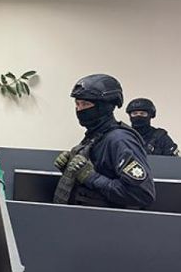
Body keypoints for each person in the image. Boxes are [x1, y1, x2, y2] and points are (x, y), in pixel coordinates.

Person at [53, 74, 156, 210]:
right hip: (81, 217)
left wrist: (92, 178)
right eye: (77, 104)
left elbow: (142, 194)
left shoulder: (120, 140)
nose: (79, 109)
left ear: (105, 106)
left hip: (104, 221)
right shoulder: (96, 136)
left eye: (86, 104)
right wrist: (71, 170)